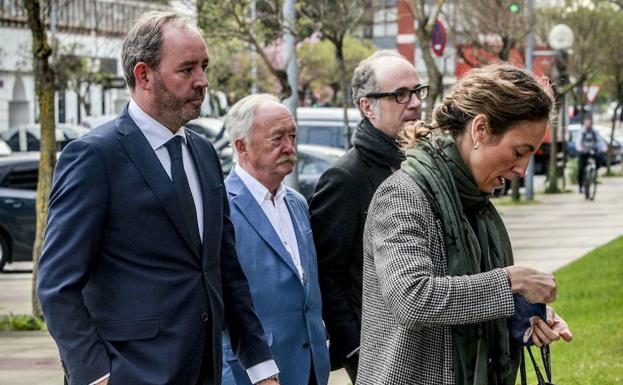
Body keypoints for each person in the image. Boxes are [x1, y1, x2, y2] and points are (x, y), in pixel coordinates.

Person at [37, 12, 278, 385]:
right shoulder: (94, 157)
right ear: (143, 75)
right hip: (129, 373)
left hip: (205, 370)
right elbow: (56, 283)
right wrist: (94, 373)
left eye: (204, 67)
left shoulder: (205, 154)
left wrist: (261, 367)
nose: (203, 81)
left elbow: (223, 270)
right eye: (187, 69)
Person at [356, 63, 573, 385]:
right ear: (480, 129)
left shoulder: (473, 202)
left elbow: (469, 296)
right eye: (519, 151)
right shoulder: (402, 195)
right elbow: (411, 299)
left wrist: (522, 315)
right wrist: (510, 281)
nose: (522, 170)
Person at [308, 50, 424, 381]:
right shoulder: (345, 178)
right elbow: (327, 274)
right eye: (401, 94)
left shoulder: (420, 165)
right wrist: (355, 348)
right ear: (367, 107)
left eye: (418, 91)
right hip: (378, 352)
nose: (415, 102)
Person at [220, 94, 330, 385]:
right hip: (251, 373)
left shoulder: (296, 202)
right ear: (241, 146)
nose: (289, 147)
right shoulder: (219, 207)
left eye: (292, 136)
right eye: (277, 138)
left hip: (310, 368)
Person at [576, 116, 602, 192]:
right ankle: (581, 186)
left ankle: (594, 174)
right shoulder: (582, 132)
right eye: (587, 123)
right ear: (584, 124)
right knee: (581, 168)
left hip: (592, 151)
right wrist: (580, 149)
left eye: (590, 123)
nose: (588, 125)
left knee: (600, 158)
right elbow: (578, 142)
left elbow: (600, 141)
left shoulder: (594, 132)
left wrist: (602, 148)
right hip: (583, 152)